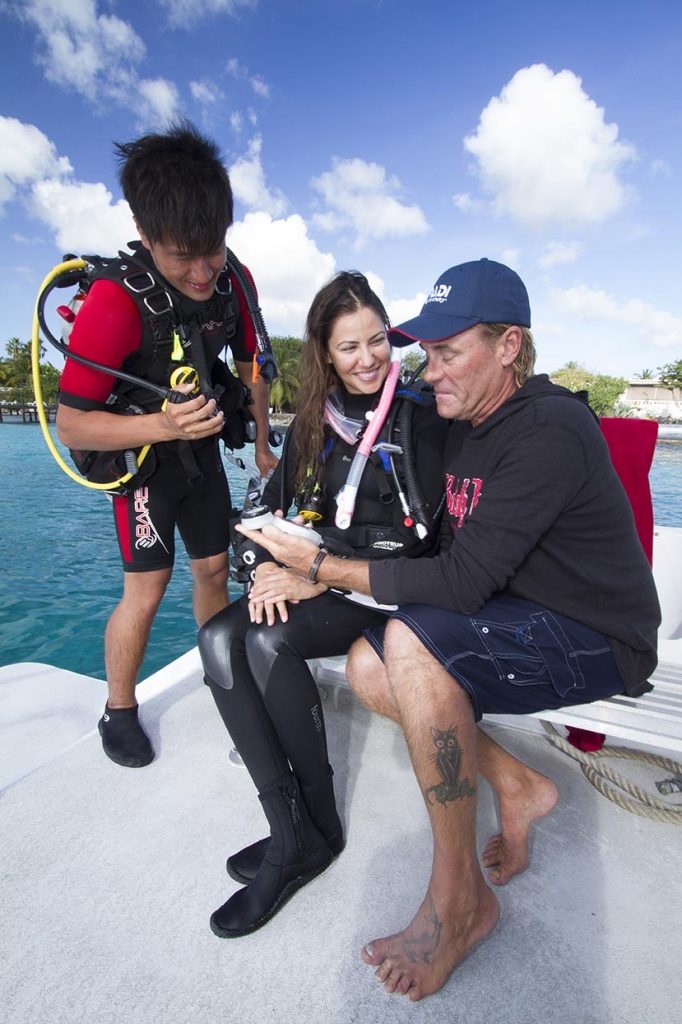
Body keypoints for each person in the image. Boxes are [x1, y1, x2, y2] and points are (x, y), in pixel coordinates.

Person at [237, 258, 661, 1000]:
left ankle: (460, 904)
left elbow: (460, 583)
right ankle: (517, 785)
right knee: (372, 668)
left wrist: (320, 570)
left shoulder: (550, 427)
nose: (427, 371)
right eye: (426, 354)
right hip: (517, 613)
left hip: (592, 633)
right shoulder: (465, 421)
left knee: (408, 644)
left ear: (509, 346)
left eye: (448, 352)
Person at [198, 271, 449, 938]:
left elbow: (429, 547)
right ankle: (291, 829)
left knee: (266, 642)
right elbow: (275, 506)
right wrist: (266, 566)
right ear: (325, 354)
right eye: (348, 348)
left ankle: (316, 828)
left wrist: (319, 576)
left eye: (377, 343)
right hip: (316, 574)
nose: (367, 360)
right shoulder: (317, 420)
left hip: (387, 590)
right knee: (220, 640)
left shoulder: (419, 418)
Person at [56, 121, 277, 769]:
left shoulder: (234, 281)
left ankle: (223, 678)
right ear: (146, 233)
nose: (205, 269)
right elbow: (73, 424)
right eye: (185, 254)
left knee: (213, 570)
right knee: (146, 587)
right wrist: (163, 426)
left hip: (201, 451)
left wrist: (264, 441)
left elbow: (252, 365)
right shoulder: (113, 304)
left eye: (216, 248)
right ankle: (118, 708)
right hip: (142, 464)